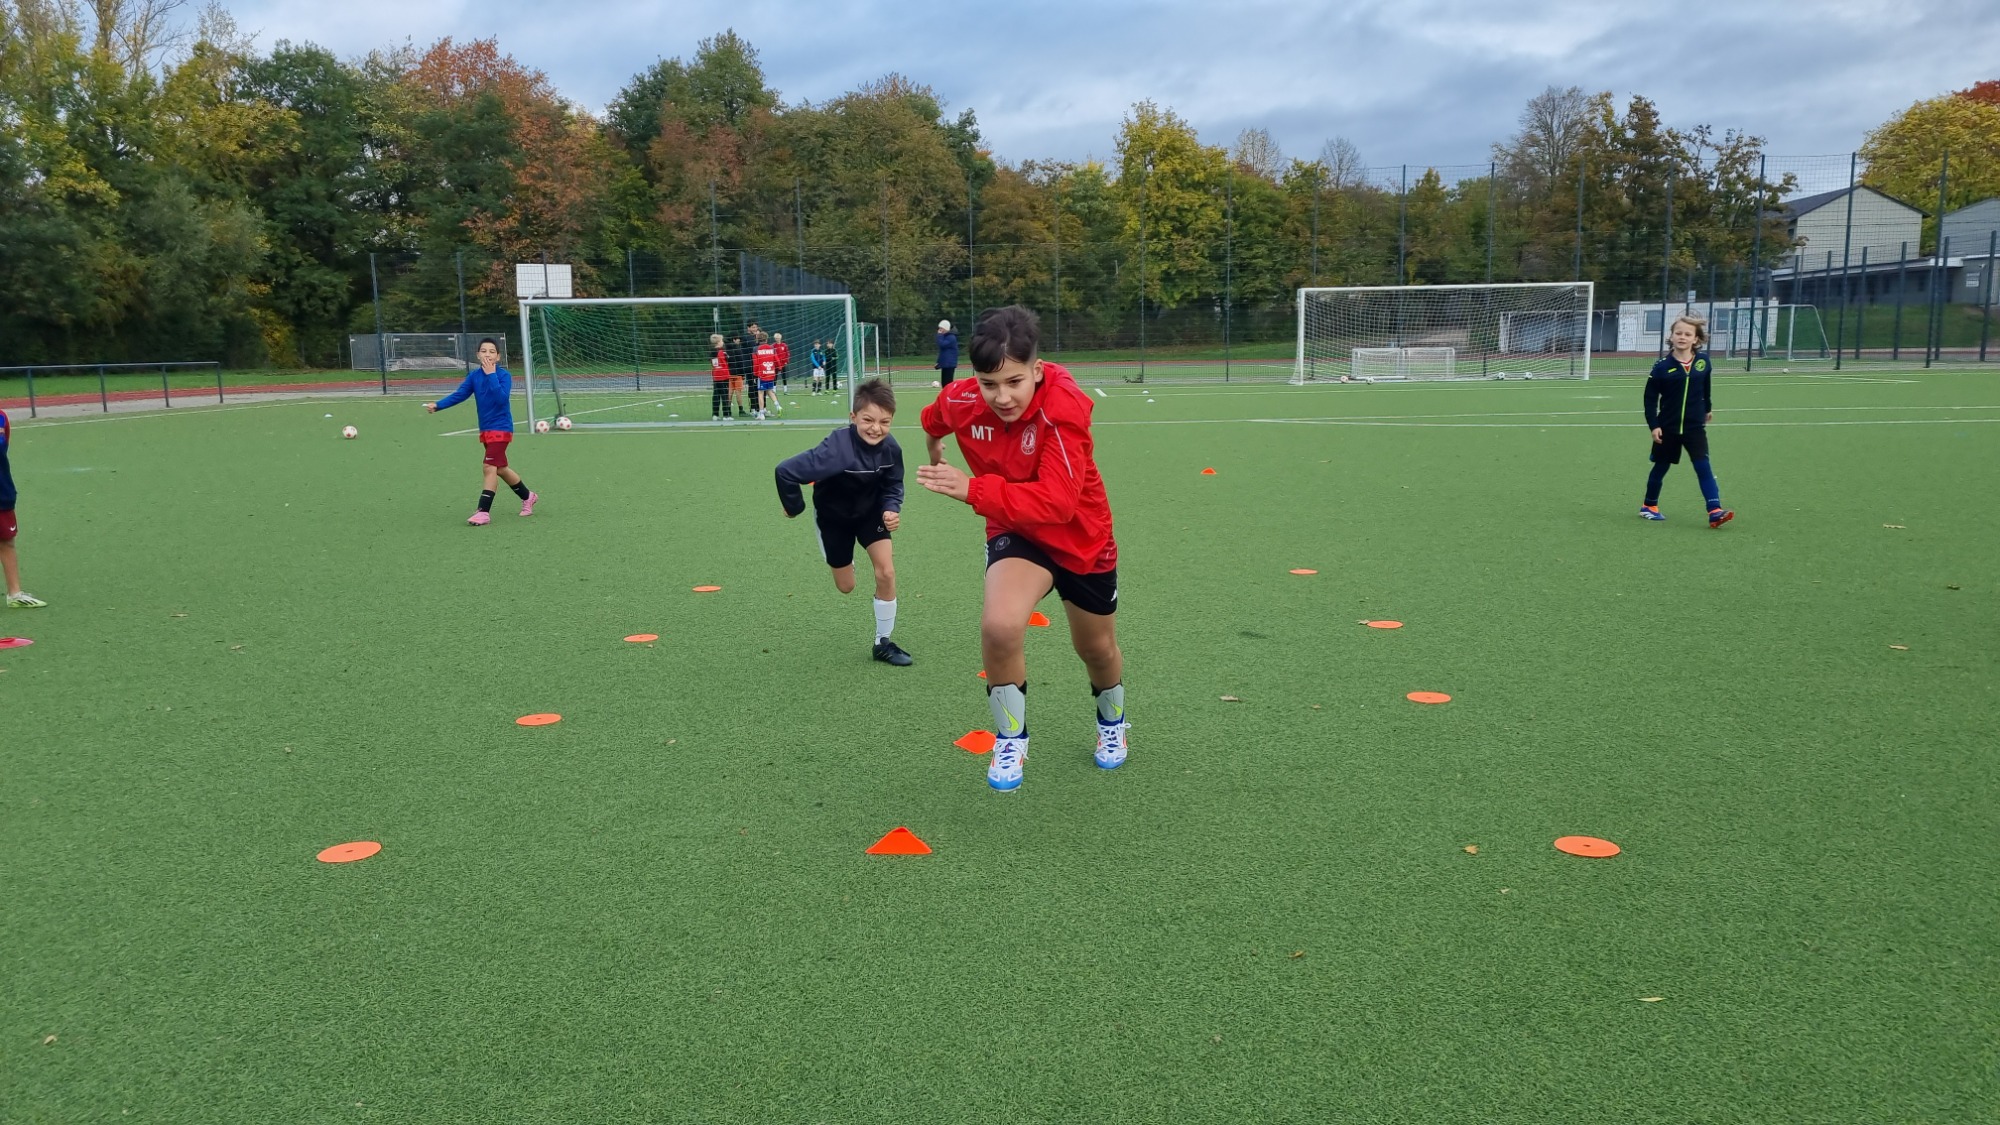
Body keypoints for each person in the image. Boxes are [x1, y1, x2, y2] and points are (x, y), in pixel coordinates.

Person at [916, 305, 1124, 792]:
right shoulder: (962, 399)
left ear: (1037, 370)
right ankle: (1011, 737)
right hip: (1016, 530)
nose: (1002, 396)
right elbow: (933, 418)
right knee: (1000, 626)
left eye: (1014, 381)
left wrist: (972, 489)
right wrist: (934, 448)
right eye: (989, 384)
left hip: (1080, 536)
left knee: (1096, 649)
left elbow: (1057, 503)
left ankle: (1112, 723)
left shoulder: (1063, 409)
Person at [775, 379, 912, 666]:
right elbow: (785, 471)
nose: (876, 428)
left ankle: (883, 643)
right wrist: (794, 507)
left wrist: (891, 508)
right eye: (868, 420)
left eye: (884, 422)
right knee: (846, 586)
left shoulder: (891, 449)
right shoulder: (836, 449)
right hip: (834, 519)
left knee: (886, 572)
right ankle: (845, 560)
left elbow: (893, 484)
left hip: (870, 514)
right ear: (853, 417)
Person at [426, 338, 539, 526]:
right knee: (500, 468)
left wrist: (491, 375)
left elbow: (501, 399)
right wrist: (438, 405)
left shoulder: (503, 376)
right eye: (484, 351)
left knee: (489, 467)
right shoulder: (474, 376)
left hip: (501, 428)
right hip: (486, 429)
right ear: (478, 355)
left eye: (492, 351)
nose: (488, 354)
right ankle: (528, 496)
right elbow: (460, 395)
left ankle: (483, 512)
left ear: (498, 357)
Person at [1641, 315, 1734, 528]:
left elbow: (1706, 387)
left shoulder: (1703, 362)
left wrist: (1707, 408)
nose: (1682, 337)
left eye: (1687, 334)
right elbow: (1649, 399)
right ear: (1671, 337)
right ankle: (1649, 506)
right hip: (1668, 428)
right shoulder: (1662, 367)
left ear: (1696, 339)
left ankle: (1715, 510)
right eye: (1678, 333)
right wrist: (1654, 425)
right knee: (1661, 467)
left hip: (1694, 427)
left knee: (1703, 467)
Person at [0, 407, 48, 608]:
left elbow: (1, 447)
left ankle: (15, 593)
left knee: (6, 540)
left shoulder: (1, 417)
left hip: (2, 490)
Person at [753, 331, 782, 418]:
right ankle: (778, 406)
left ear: (758, 339)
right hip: (771, 373)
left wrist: (755, 374)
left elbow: (755, 363)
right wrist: (779, 368)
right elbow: (777, 360)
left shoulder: (756, 349)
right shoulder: (772, 348)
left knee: (760, 393)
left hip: (762, 374)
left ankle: (761, 414)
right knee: (769, 390)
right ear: (766, 339)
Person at [726, 331, 754, 419]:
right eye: (738, 339)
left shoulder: (726, 349)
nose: (739, 341)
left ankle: (728, 410)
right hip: (738, 374)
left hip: (729, 373)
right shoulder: (738, 350)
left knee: (730, 392)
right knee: (738, 392)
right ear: (734, 340)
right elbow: (740, 362)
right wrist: (743, 374)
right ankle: (741, 410)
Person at [708, 333, 734, 421]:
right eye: (722, 341)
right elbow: (729, 360)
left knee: (716, 395)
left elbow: (711, 362)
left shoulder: (712, 352)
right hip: (724, 375)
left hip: (716, 375)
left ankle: (715, 414)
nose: (723, 342)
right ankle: (726, 415)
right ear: (718, 342)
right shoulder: (723, 352)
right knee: (725, 395)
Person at [935, 319, 959, 386]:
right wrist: (939, 362)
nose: (939, 330)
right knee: (944, 383)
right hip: (945, 364)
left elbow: (942, 345)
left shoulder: (951, 337)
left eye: (941, 328)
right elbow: (943, 352)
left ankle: (949, 393)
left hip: (949, 364)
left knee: (948, 383)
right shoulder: (945, 337)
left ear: (945, 328)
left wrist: (939, 335)